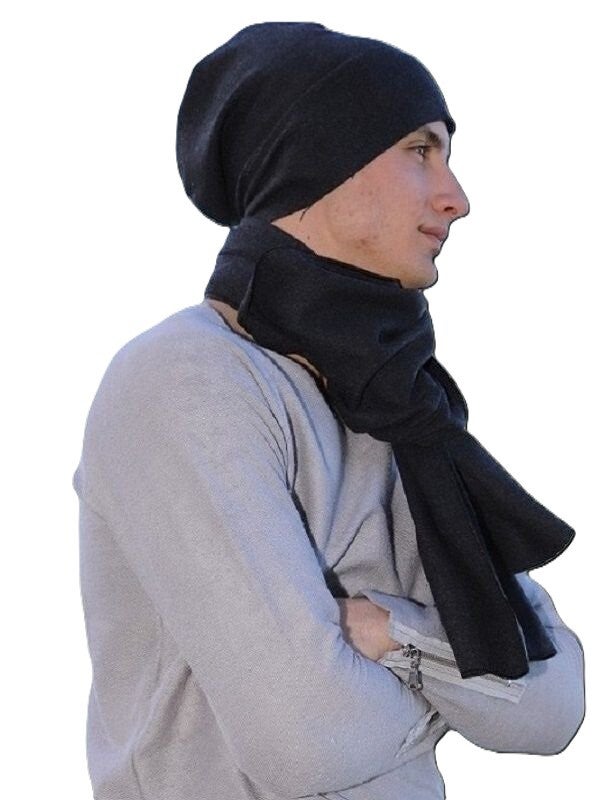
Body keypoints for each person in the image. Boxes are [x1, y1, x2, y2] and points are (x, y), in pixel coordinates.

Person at [73, 21, 585, 800]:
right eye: (420, 150)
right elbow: (306, 740)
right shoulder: (187, 377)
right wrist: (457, 693)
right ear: (317, 158)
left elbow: (554, 705)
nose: (456, 198)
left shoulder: (401, 406)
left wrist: (391, 635)